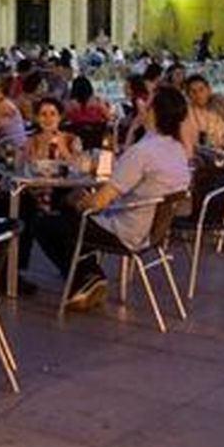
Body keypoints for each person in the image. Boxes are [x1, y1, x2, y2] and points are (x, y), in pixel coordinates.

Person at [32, 85, 193, 312]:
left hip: (123, 230)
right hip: (150, 232)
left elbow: (100, 201)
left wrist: (79, 202)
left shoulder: (143, 152)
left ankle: (87, 275)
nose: (142, 108)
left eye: (147, 104)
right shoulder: (177, 150)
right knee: (68, 213)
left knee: (45, 222)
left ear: (154, 112)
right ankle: (86, 274)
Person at [181, 74, 224, 155]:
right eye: (193, 91)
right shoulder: (184, 114)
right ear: (188, 95)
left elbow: (223, 140)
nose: (198, 94)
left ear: (209, 90)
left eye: (201, 90)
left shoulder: (216, 114)